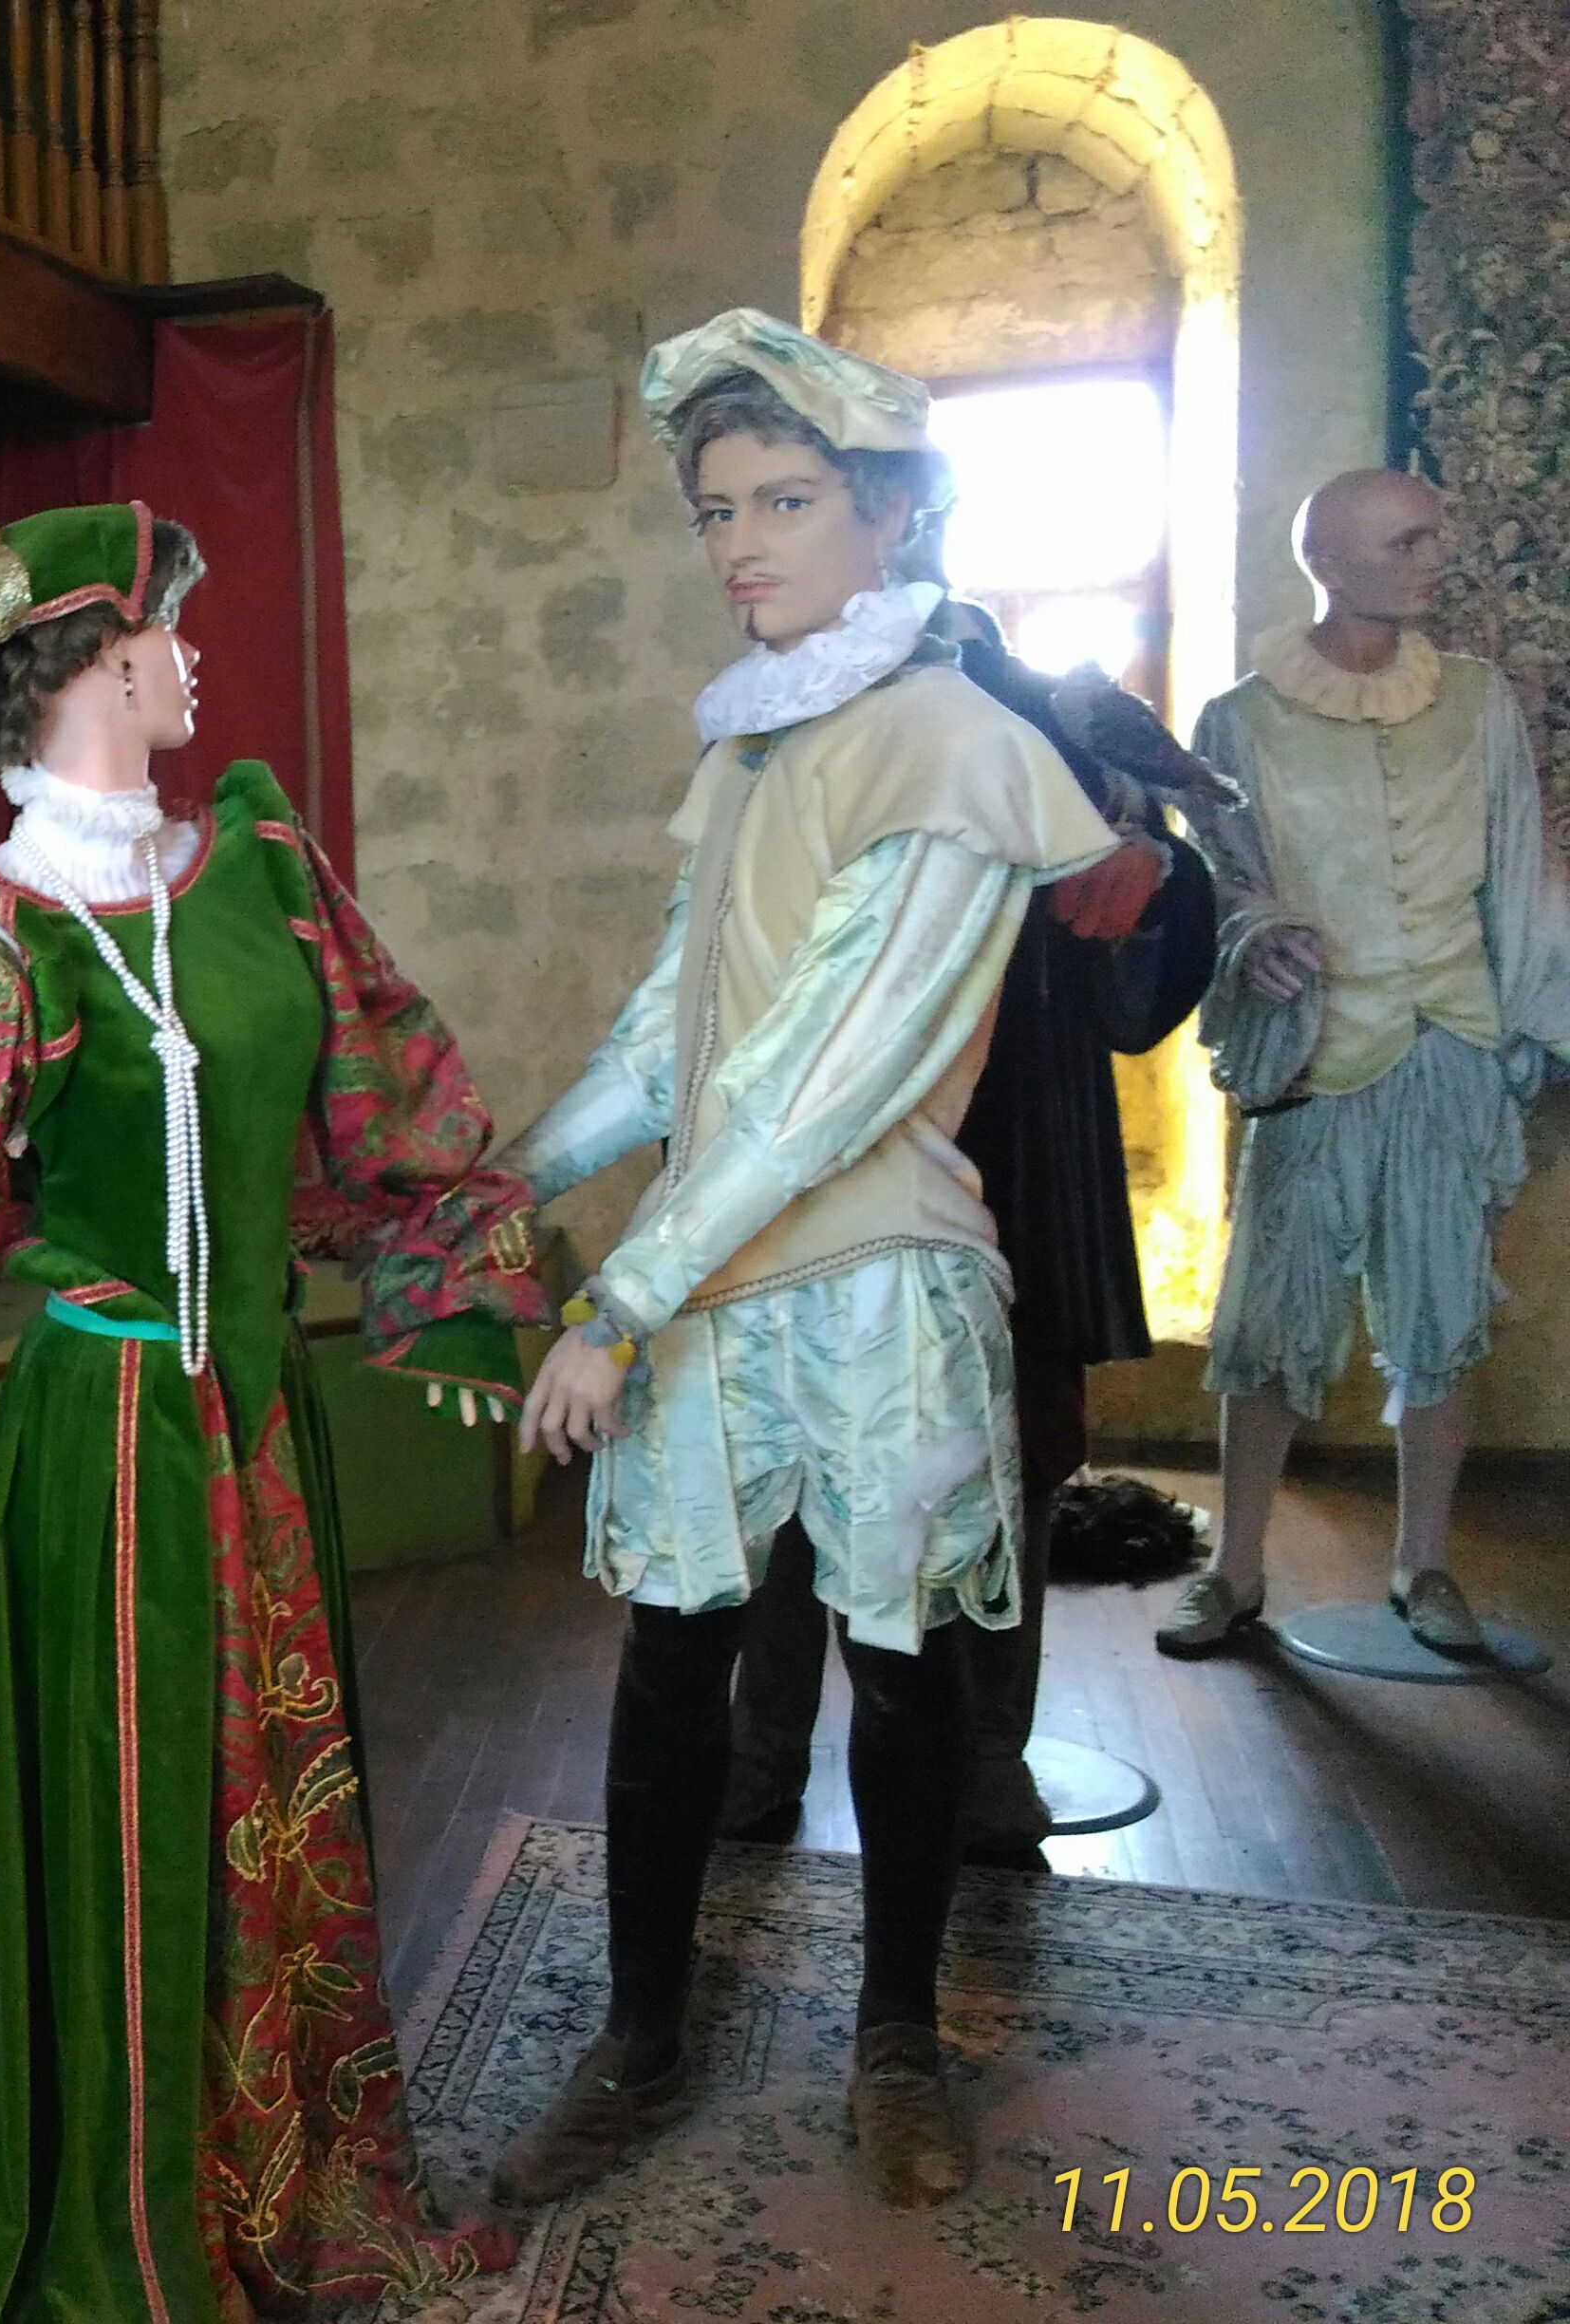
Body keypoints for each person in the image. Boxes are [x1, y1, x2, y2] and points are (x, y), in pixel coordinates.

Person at [0, 500, 549, 2320]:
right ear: (89, 658)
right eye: (166, 625)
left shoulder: (255, 864)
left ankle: (272, 2166)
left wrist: (455, 1270)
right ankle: (121, 2203)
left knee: (268, 1800)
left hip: (255, 1426)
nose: (191, 654)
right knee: (118, 1819)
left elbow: (383, 1082)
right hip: (100, 1445)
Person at [495, 310, 1116, 2212]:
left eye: (781, 502)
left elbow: (818, 1085)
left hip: (875, 1285)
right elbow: (672, 1035)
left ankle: (897, 2042)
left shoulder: (954, 742)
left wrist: (616, 1294)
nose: (738, 543)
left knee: (901, 1672)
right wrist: (500, 1183)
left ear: (892, 514)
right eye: (715, 510)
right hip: (713, 1286)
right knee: (670, 1667)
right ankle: (639, 2039)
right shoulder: (761, 736)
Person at [723, 583, 1222, 1857]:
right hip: (816, 1163)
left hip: (1011, 1175)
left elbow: (1132, 978)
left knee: (1006, 1476)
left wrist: (1161, 876)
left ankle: (988, 1765)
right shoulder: (779, 739)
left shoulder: (1041, 733)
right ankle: (759, 1758)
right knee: (788, 1475)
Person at [1155, 470, 1570, 1660]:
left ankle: (1422, 1565)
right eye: (1407, 541)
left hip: (1450, 1043)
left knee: (1442, 1313)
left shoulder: (1478, 702)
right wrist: (1253, 936)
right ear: (1330, 565)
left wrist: (1529, 1029)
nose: (1435, 556)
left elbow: (1515, 865)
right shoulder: (1240, 719)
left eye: (1435, 535)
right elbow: (1223, 876)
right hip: (1316, 1054)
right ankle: (1235, 1571)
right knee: (1269, 1321)